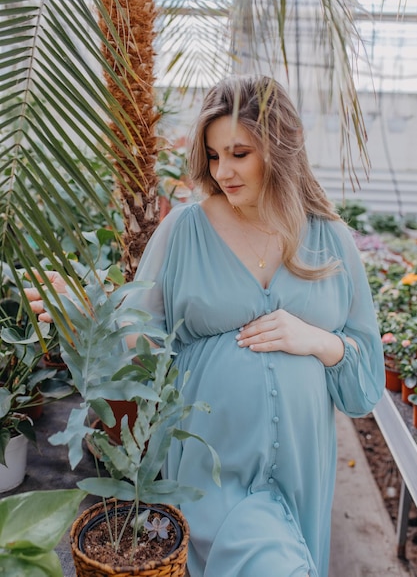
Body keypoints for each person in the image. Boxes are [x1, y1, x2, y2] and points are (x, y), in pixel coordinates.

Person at [26, 75, 385, 577]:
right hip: (213, 465)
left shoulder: (331, 239)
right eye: (215, 156)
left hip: (305, 466)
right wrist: (92, 315)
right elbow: (140, 351)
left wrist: (321, 342)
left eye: (240, 153)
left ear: (279, 149)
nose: (224, 171)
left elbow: (364, 387)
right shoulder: (184, 230)